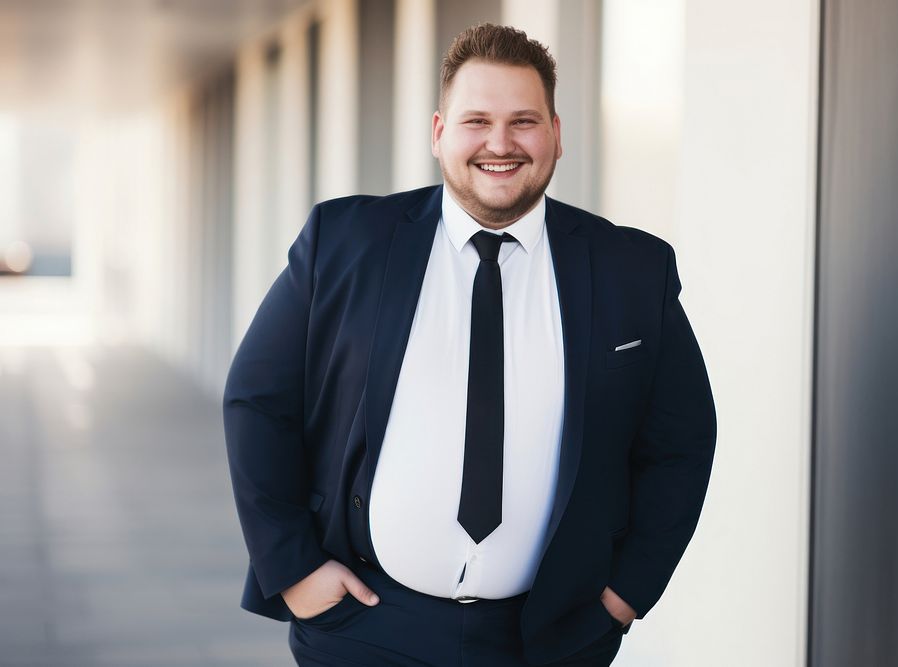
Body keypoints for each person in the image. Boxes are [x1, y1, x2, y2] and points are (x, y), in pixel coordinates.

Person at [222, 23, 716, 667]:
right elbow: (258, 401)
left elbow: (682, 443)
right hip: (365, 625)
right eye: (476, 120)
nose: (500, 144)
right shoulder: (344, 242)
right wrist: (293, 569)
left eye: (524, 121)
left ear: (557, 135)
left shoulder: (632, 271)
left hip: (547, 638)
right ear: (438, 133)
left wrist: (624, 597)